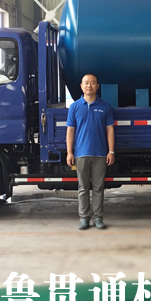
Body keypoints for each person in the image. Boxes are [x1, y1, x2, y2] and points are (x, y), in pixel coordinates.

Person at [66, 74, 115, 229]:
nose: (89, 86)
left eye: (93, 83)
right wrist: (69, 152)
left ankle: (98, 218)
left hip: (100, 154)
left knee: (98, 188)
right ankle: (84, 218)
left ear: (97, 86)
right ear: (81, 86)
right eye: (86, 83)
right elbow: (70, 130)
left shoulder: (105, 106)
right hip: (81, 154)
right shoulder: (75, 107)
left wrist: (111, 151)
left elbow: (110, 130)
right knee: (83, 188)